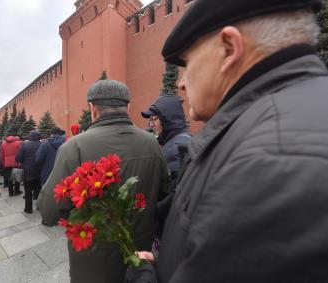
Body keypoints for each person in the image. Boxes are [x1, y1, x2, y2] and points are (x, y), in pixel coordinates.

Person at [126, 0, 328, 282]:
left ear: (229, 49)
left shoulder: (271, 162)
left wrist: (142, 273)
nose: (181, 83)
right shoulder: (271, 124)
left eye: (187, 63)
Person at [37, 80, 170, 283]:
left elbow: (49, 211)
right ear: (128, 107)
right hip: (140, 263)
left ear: (92, 109)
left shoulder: (74, 148)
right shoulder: (151, 143)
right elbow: (165, 193)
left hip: (92, 266)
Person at [141, 95, 191, 239]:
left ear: (168, 119)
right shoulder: (181, 140)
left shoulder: (175, 148)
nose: (151, 124)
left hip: (170, 231)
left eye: (155, 118)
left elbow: (175, 196)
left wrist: (151, 213)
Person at [15, 130, 42, 214]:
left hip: (28, 172)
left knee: (28, 191)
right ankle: (40, 206)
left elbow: (18, 158)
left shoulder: (25, 145)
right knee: (40, 189)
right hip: (40, 171)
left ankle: (28, 209)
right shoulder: (43, 144)